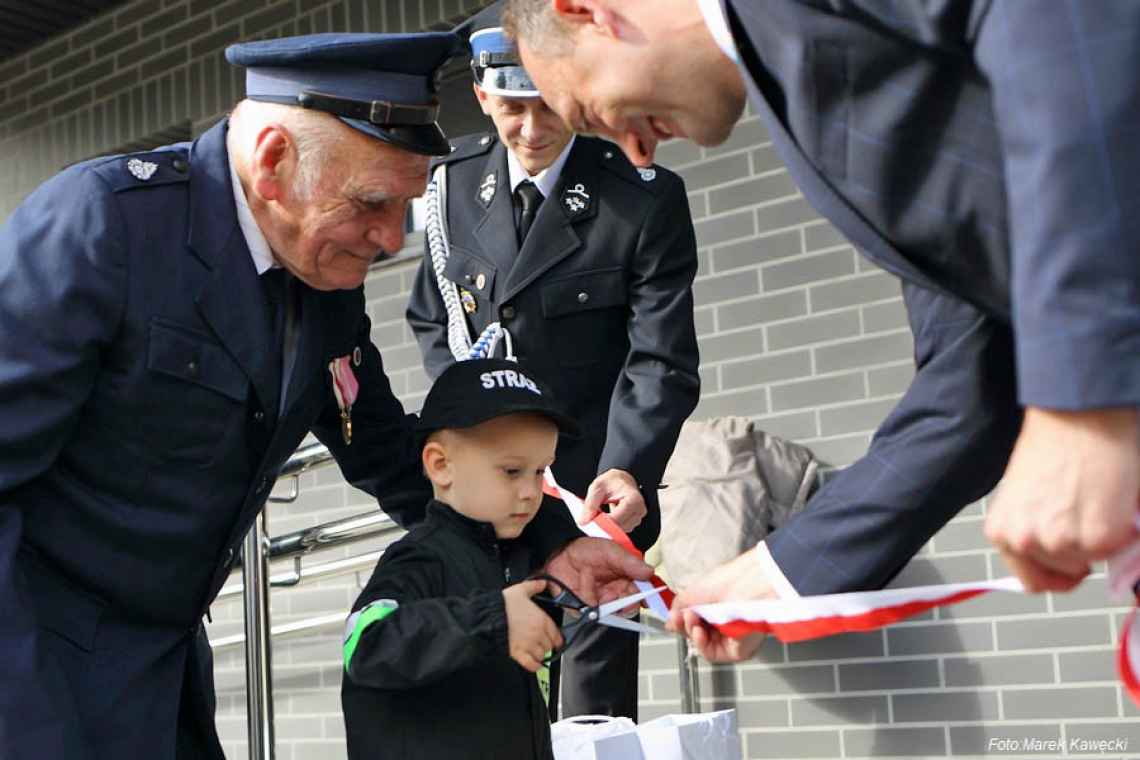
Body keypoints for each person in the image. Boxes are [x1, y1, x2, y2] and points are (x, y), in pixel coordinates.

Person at [0, 32, 651, 759]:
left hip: (162, 667)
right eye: (371, 204)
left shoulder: (321, 283)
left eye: (403, 207)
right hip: (35, 671)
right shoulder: (106, 227)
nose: (391, 240)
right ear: (274, 162)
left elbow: (392, 453)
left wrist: (551, 545)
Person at [503, 0, 1140, 661]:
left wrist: (1085, 404)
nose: (634, 150)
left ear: (586, 12)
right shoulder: (792, 108)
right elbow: (973, 370)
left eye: (592, 113)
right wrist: (779, 572)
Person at [406, 11, 700, 719]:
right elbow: (431, 317)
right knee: (491, 690)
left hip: (591, 492)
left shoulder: (641, 197)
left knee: (590, 708)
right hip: (486, 493)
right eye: (512, 108)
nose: (531, 129)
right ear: (482, 96)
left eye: (546, 106)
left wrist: (628, 465)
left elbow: (661, 358)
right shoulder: (450, 192)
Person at [341, 358, 582, 760]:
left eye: (540, 472)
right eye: (511, 471)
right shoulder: (420, 557)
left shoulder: (519, 561)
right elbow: (364, 644)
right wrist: (493, 619)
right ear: (440, 466)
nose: (530, 491)